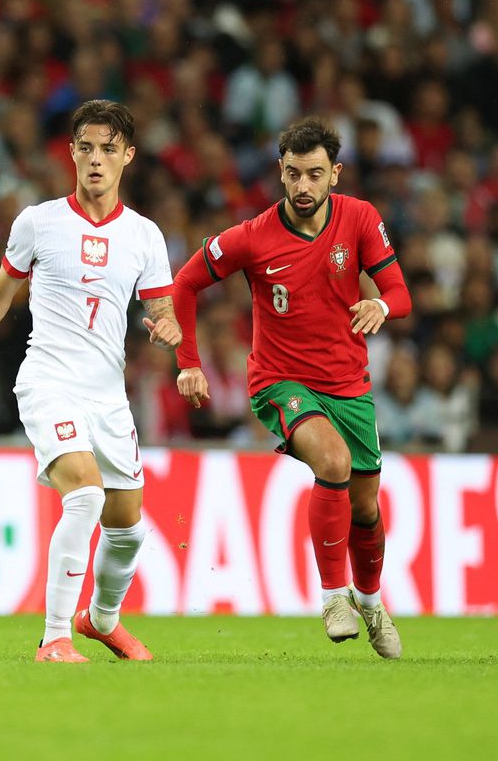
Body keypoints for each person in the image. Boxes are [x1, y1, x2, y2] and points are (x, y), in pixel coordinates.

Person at [0, 100, 181, 663]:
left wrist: (169, 332)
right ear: (71, 152)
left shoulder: (145, 236)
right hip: (48, 380)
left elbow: (164, 308)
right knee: (84, 496)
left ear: (127, 156)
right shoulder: (37, 221)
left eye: (108, 149)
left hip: (108, 395)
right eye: (85, 147)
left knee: (128, 527)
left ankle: (100, 620)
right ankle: (55, 636)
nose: (95, 160)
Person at [171, 117, 412, 658]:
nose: (304, 187)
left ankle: (370, 601)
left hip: (349, 385)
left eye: (316, 175)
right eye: (295, 174)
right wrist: (189, 361)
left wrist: (381, 303)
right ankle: (332, 597)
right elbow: (185, 281)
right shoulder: (252, 237)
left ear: (335, 174)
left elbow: (400, 291)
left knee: (366, 508)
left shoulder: (360, 219)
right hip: (281, 382)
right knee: (332, 462)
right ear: (280, 172)